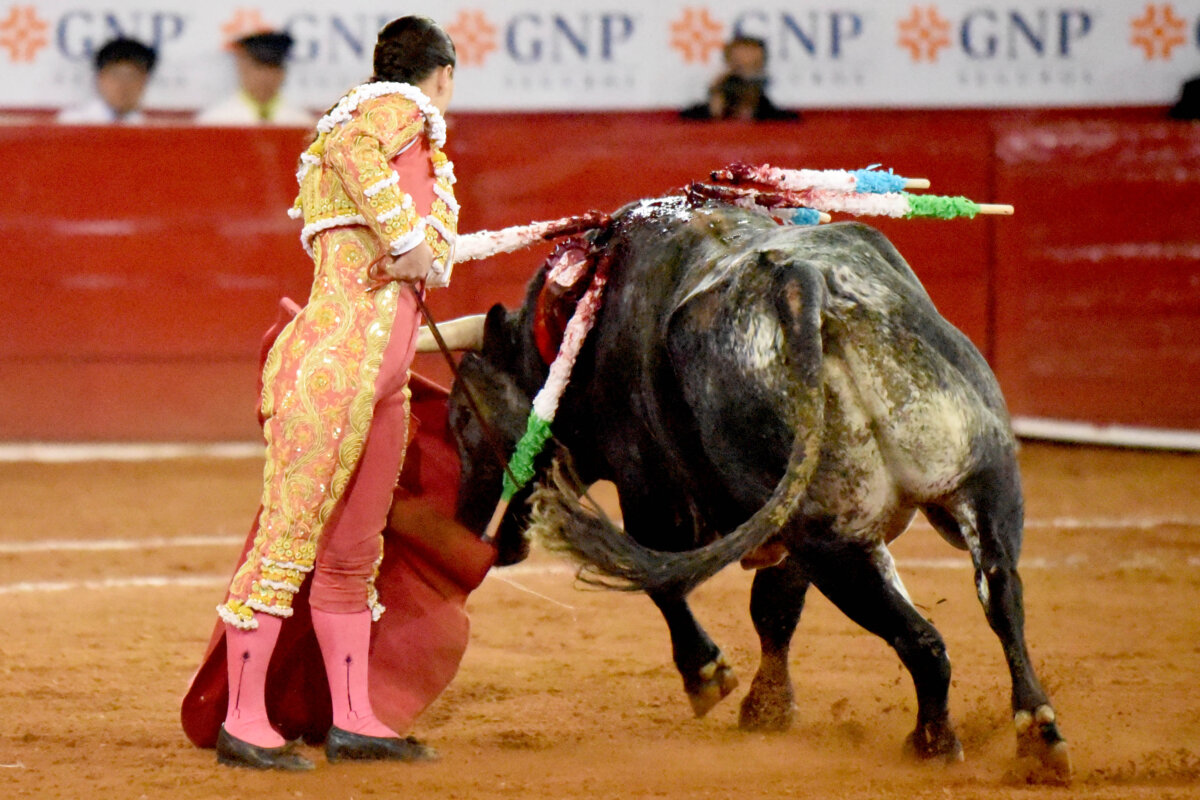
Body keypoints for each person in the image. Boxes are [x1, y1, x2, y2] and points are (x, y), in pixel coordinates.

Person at [210, 15, 461, 770]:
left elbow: (428, 250)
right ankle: (243, 722)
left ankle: (354, 719)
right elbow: (353, 150)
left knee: (353, 553)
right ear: (441, 72)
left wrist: (429, 251)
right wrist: (407, 240)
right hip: (333, 362)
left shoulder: (415, 142)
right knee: (288, 544)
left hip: (377, 375)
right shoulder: (393, 107)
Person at [196, 30, 314, 126]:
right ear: (241, 66)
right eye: (258, 67)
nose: (265, 76)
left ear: (283, 72)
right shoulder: (215, 122)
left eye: (273, 67)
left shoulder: (302, 123)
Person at [680, 35, 799, 122]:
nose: (746, 80)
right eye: (739, 67)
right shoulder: (697, 115)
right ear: (728, 68)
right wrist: (713, 108)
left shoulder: (777, 119)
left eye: (754, 66)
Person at [58, 37, 157, 125]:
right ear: (100, 78)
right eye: (116, 75)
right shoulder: (73, 122)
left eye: (132, 76)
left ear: (144, 81)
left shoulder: (147, 128)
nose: (124, 85)